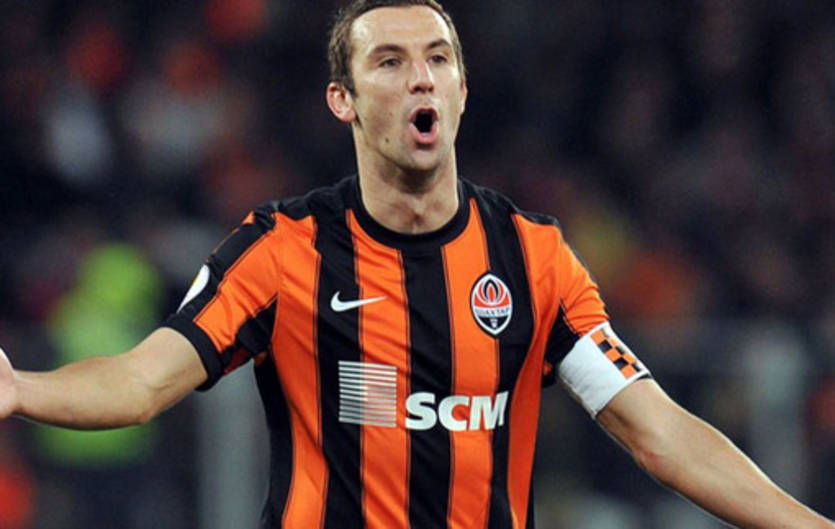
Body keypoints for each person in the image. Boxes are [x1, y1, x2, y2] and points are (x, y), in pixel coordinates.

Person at [0, 1, 832, 528]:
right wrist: (21, 387)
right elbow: (143, 381)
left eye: (437, 58)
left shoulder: (532, 258)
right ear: (343, 99)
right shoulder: (281, 251)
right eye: (389, 61)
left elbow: (659, 433)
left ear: (462, 89)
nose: (419, 79)